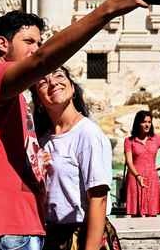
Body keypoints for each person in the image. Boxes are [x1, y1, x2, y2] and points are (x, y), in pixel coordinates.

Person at [0, 0, 160, 250]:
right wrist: (109, 8)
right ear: (3, 44)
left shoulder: (14, 99)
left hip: (20, 222)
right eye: (29, 42)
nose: (37, 49)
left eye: (39, 42)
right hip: (7, 223)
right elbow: (43, 61)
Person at [30, 67, 118, 250]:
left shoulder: (88, 133)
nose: (53, 82)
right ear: (38, 100)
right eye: (43, 82)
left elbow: (98, 198)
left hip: (83, 236)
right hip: (53, 236)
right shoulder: (42, 141)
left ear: (72, 87)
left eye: (59, 76)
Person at [123, 110, 160, 217]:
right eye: (144, 122)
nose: (147, 124)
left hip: (152, 179)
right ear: (138, 123)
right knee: (136, 216)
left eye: (149, 122)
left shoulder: (156, 139)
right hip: (135, 179)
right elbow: (129, 162)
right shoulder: (129, 141)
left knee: (152, 215)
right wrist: (138, 176)